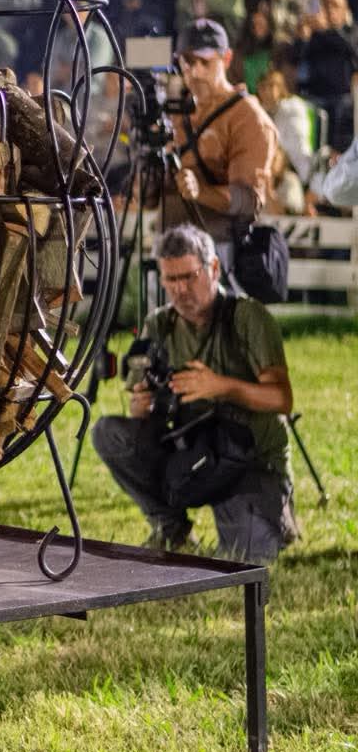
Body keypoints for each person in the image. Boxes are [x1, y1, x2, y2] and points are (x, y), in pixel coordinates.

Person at [91, 224, 298, 562]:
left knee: (245, 559)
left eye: (189, 276)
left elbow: (281, 399)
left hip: (249, 459)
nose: (180, 290)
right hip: (193, 452)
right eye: (170, 280)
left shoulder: (247, 317)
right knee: (108, 433)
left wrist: (221, 386)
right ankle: (169, 526)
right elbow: (139, 410)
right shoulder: (160, 324)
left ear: (213, 269)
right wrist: (142, 404)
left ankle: (276, 510)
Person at [162, 20, 279, 255]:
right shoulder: (176, 113)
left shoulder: (248, 116)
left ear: (226, 59)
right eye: (187, 61)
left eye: (204, 61)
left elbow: (249, 200)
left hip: (221, 250)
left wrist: (201, 192)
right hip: (169, 248)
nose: (195, 71)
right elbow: (152, 196)